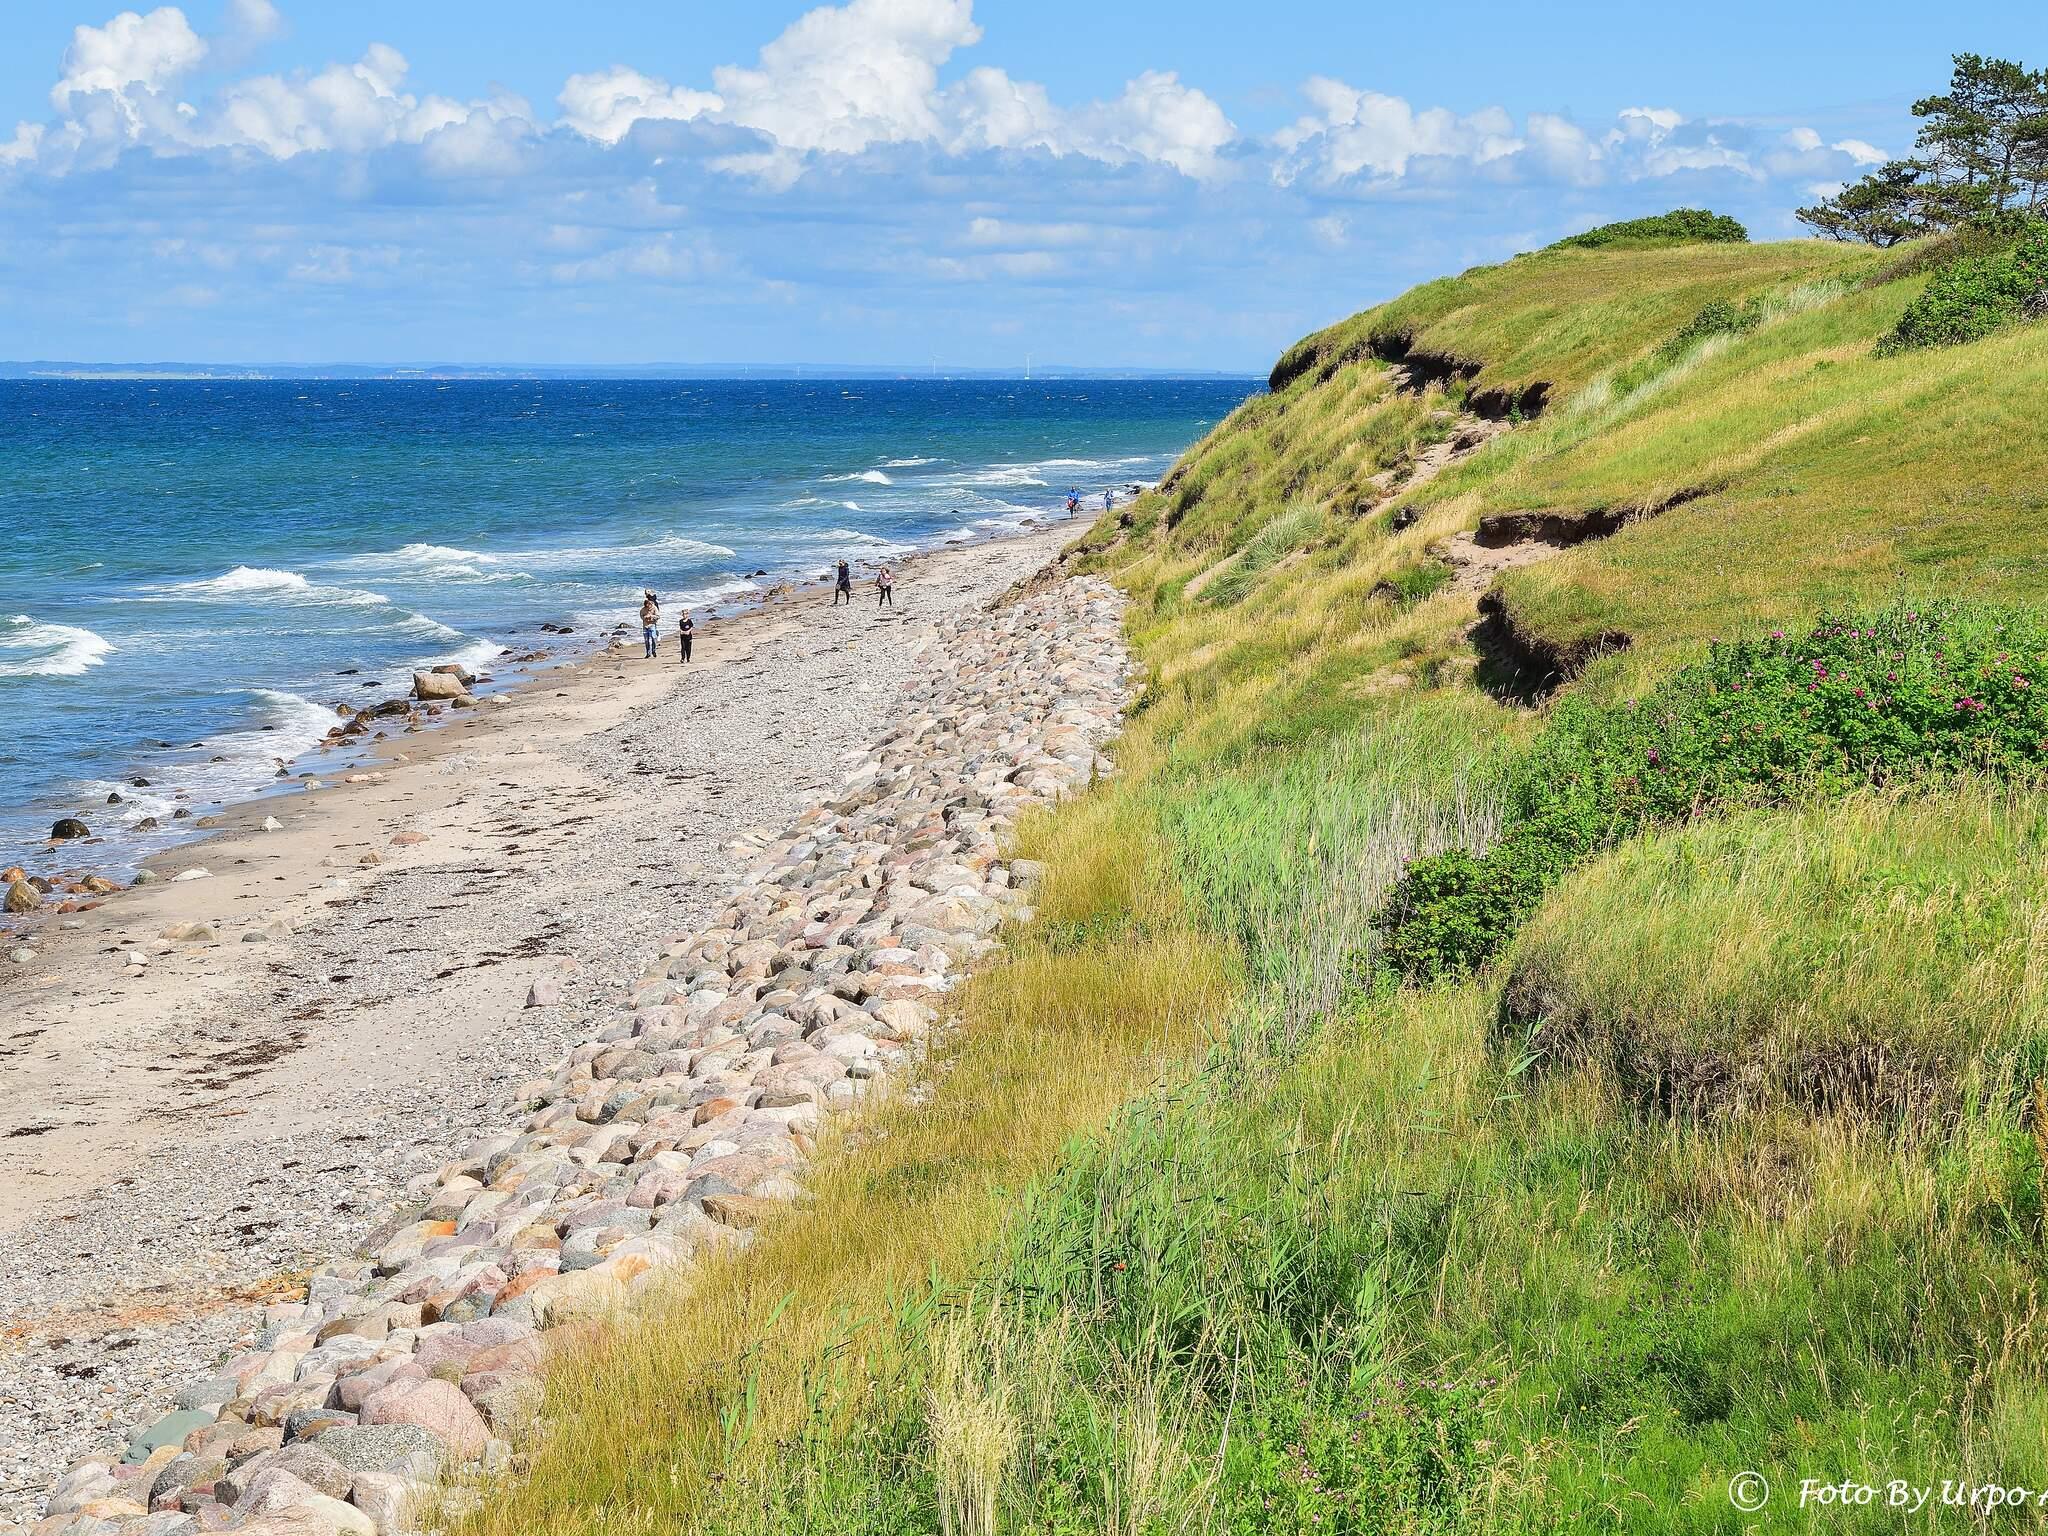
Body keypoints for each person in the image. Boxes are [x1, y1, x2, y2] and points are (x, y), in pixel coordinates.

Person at [639, 590, 659, 658]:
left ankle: (654, 650)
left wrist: (651, 616)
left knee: (653, 638)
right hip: (645, 626)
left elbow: (658, 616)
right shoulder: (643, 609)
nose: (648, 608)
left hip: (652, 625)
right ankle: (648, 653)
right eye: (646, 607)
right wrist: (645, 617)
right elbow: (641, 616)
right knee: (646, 640)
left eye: (649, 606)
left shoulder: (654, 608)